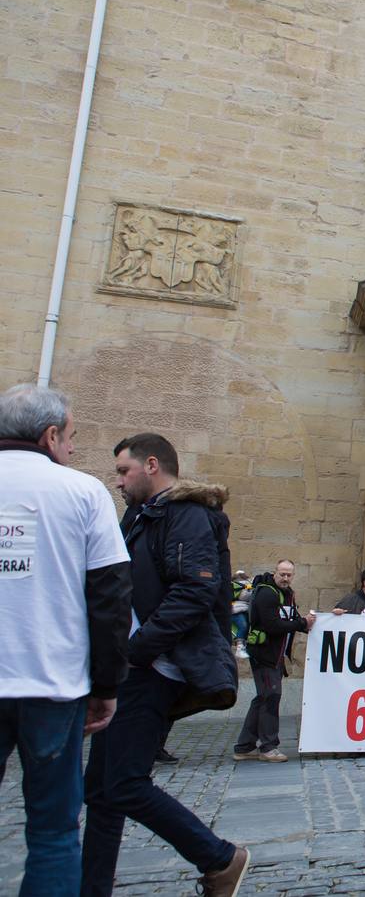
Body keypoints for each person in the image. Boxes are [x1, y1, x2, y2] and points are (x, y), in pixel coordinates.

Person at [85, 432, 247, 896]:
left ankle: (219, 857)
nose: (117, 481)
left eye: (123, 471)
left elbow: (195, 591)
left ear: (151, 464)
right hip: (132, 666)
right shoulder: (140, 516)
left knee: (123, 785)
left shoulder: (188, 515)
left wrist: (136, 650)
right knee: (100, 790)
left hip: (152, 669)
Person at [0, 384, 131, 895]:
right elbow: (110, 599)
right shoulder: (82, 492)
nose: (73, 449)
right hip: (54, 684)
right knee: (53, 831)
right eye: (72, 437)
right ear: (50, 435)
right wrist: (106, 686)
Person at [232, 560, 313, 763]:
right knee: (271, 697)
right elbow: (272, 624)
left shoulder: (287, 594)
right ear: (275, 572)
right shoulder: (267, 593)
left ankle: (244, 747)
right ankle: (268, 747)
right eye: (282, 574)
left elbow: (289, 620)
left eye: (289, 575)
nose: (285, 578)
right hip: (264, 655)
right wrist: (302, 623)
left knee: (263, 697)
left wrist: (305, 623)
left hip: (273, 655)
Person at [230, 569, 252, 659]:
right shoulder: (246, 585)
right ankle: (239, 647)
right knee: (243, 626)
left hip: (236, 609)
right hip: (238, 610)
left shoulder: (231, 585)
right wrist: (249, 589)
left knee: (244, 627)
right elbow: (244, 597)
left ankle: (242, 646)